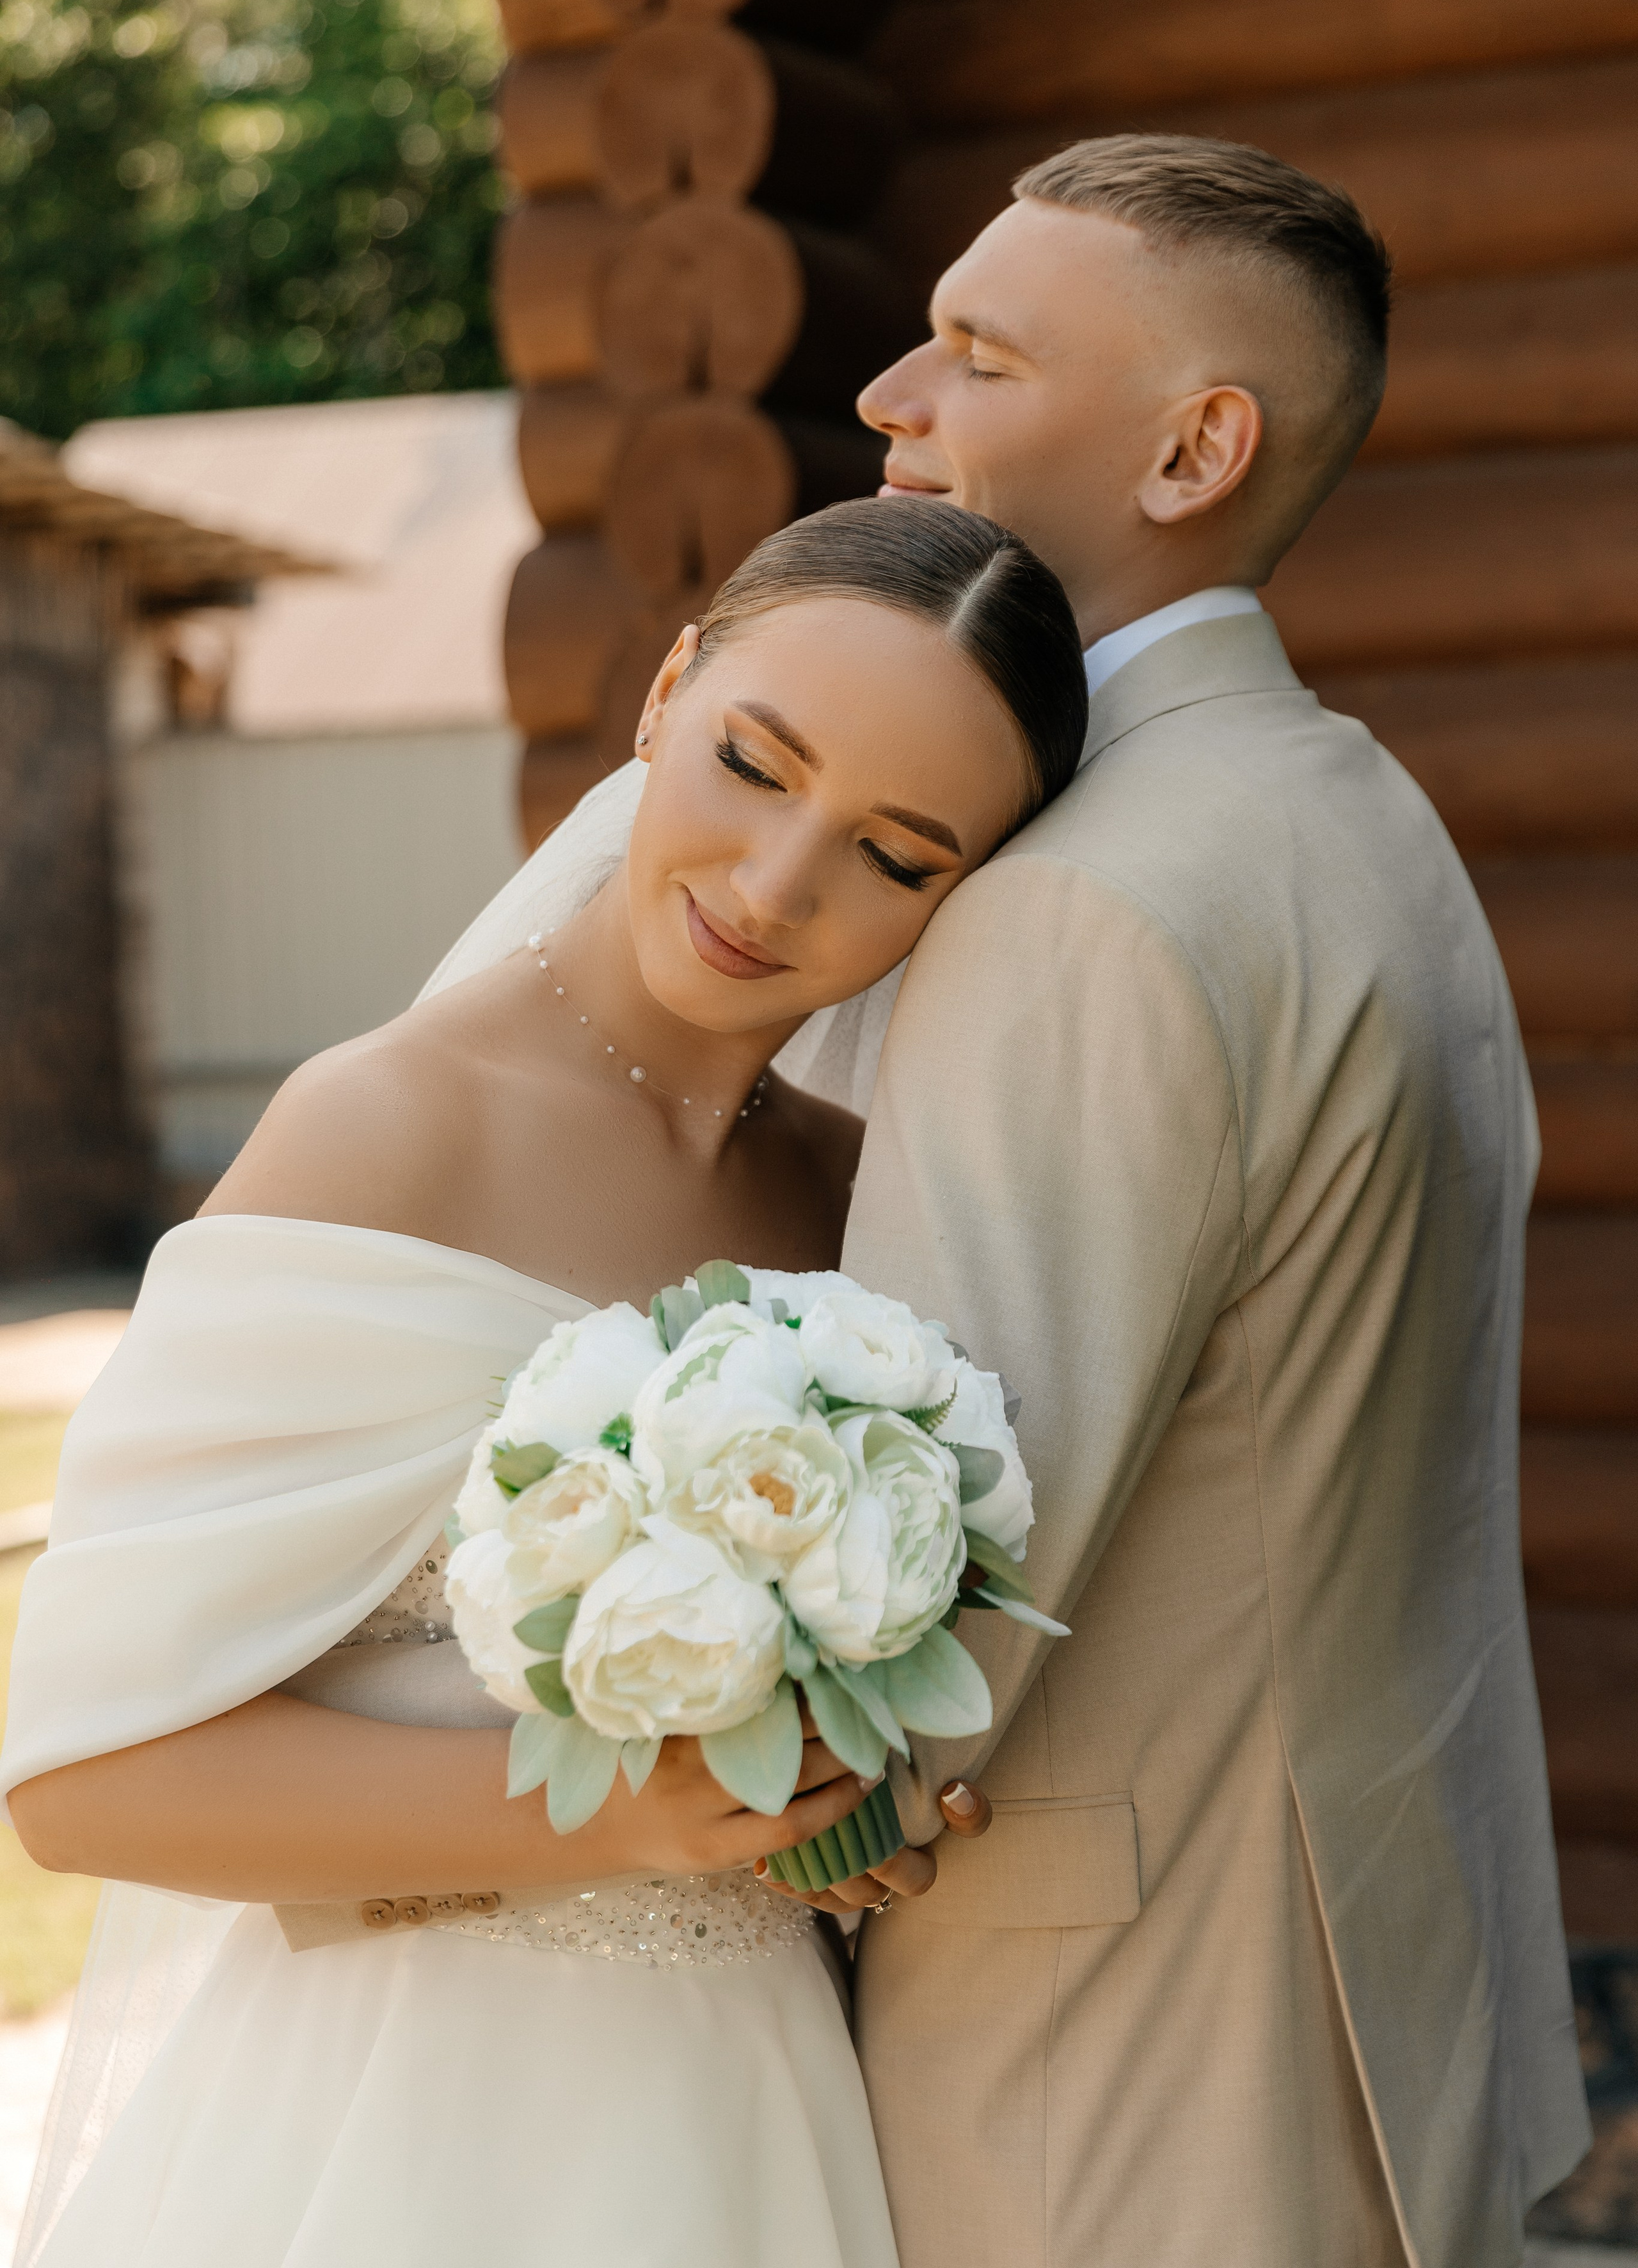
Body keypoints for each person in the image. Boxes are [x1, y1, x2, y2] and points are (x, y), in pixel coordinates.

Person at [418, 135, 1591, 2266]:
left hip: (1114, 2063)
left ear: (1192, 449)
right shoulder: (1356, 805)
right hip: (1368, 1969)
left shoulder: (1077, 907)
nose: (888, 395)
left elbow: (915, 1607)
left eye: (977, 349)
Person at [0, 498, 1089, 2268]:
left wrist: (826, 1804)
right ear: (667, 691)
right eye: (755, 761)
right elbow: (84, 1774)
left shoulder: (853, 1195)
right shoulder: (386, 1125)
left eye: (897, 853)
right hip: (418, 2136)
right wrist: (630, 1814)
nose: (773, 882)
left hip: (755, 2115)